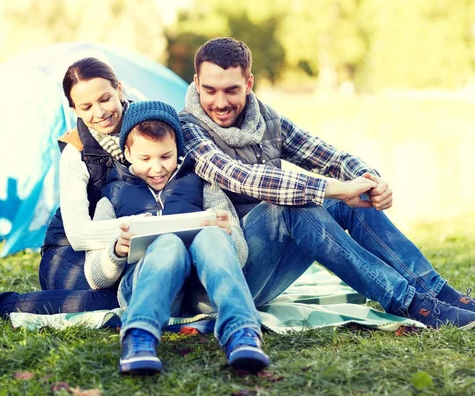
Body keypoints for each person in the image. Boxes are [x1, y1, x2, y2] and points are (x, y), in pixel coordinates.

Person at [179, 37, 475, 330]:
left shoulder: (267, 120)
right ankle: (412, 304)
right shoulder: (186, 128)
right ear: (195, 82)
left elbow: (329, 156)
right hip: (217, 282)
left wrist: (370, 180)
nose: (220, 103)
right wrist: (333, 189)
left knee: (349, 199)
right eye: (210, 90)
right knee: (290, 206)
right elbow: (239, 176)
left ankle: (440, 293)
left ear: (249, 83)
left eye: (231, 90)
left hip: (266, 273)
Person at [0, 57, 137, 323]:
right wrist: (142, 227)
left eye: (105, 99)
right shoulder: (74, 152)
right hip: (69, 254)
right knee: (117, 297)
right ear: (74, 110)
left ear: (120, 90)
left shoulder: (150, 128)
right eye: (86, 106)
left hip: (128, 250)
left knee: (144, 287)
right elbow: (78, 234)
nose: (99, 112)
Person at [84, 100, 269, 374]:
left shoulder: (203, 184)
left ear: (179, 150)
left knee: (211, 236)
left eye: (165, 156)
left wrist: (227, 233)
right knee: (168, 243)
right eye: (145, 159)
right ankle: (140, 337)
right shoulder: (111, 197)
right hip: (142, 288)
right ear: (127, 152)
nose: (157, 168)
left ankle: (241, 333)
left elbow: (239, 256)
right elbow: (94, 277)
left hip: (201, 293)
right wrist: (117, 251)